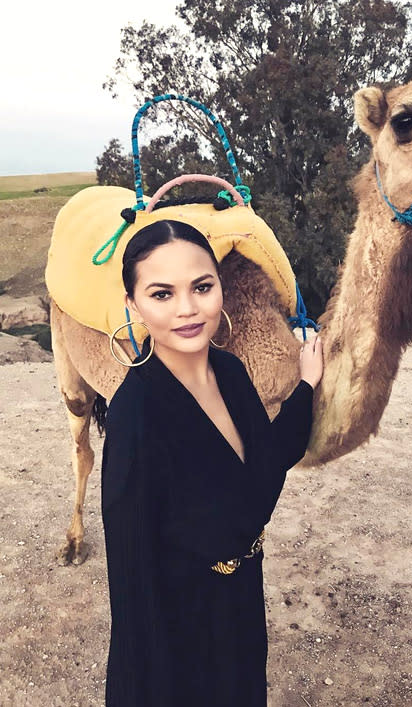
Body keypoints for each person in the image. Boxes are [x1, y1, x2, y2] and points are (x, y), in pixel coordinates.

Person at [101, 219, 323, 706]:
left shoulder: (229, 370)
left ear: (220, 287)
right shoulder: (135, 414)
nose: (187, 309)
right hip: (181, 628)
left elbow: (267, 462)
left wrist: (306, 384)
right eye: (162, 294)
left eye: (202, 287)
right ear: (132, 305)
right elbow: (132, 576)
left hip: (241, 601)